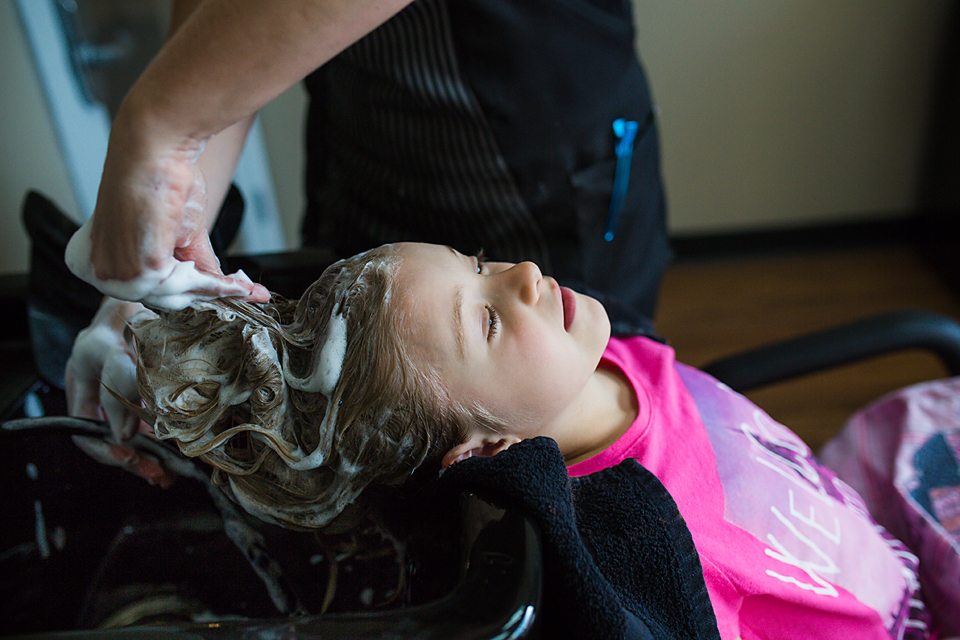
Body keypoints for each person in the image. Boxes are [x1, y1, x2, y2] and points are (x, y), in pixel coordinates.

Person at [124, 242, 942, 638]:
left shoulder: (599, 364)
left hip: (880, 551)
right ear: (485, 451)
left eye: (475, 263)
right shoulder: (650, 541)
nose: (519, 274)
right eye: (484, 318)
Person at [64, 0, 671, 447]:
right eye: (478, 266)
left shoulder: (566, 316)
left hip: (533, 161)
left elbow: (174, 121)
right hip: (363, 152)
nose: (527, 276)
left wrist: (161, 127)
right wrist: (154, 282)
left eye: (483, 263)